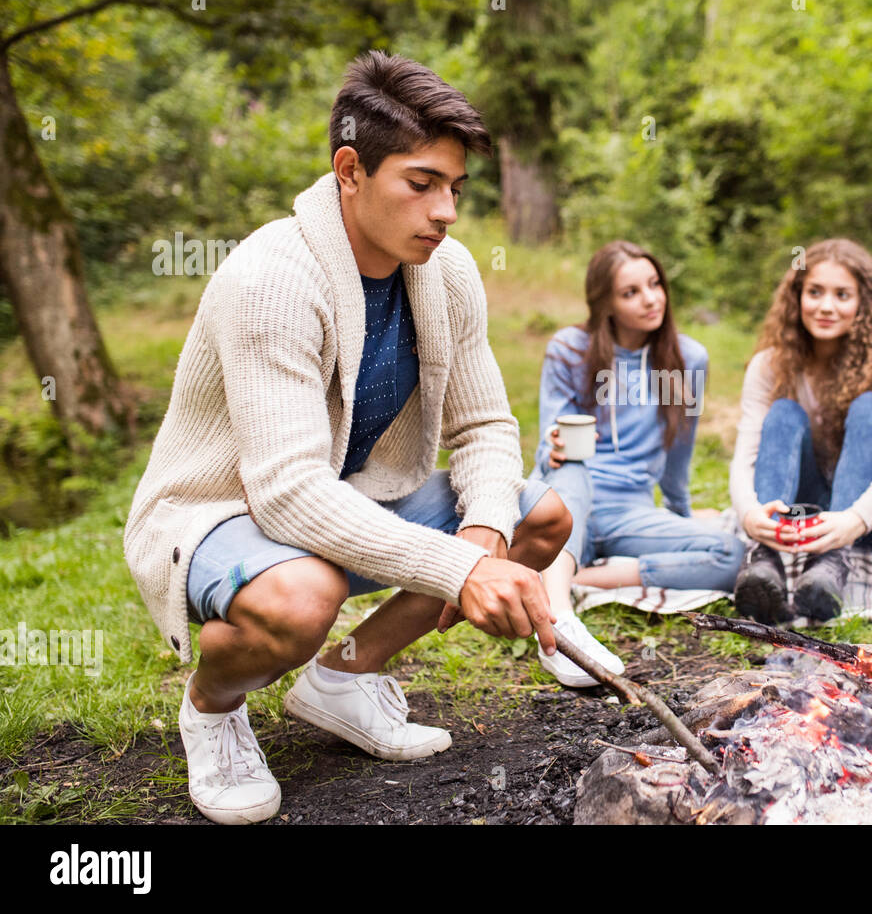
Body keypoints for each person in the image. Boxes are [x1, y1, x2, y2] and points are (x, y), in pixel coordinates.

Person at [122, 51, 571, 825]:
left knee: (536, 518)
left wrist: (484, 531)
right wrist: (461, 568)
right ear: (350, 170)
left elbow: (486, 425)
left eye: (455, 189)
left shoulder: (449, 272)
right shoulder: (271, 281)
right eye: (422, 183)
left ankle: (341, 679)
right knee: (302, 599)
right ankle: (212, 710)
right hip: (218, 513)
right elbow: (288, 491)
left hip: (345, 496)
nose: (446, 212)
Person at [531, 240, 745, 686]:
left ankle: (581, 577)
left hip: (630, 510)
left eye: (654, 284)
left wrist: (680, 515)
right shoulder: (571, 348)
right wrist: (553, 446)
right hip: (567, 501)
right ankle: (559, 618)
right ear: (605, 302)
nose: (651, 299)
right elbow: (548, 443)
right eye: (631, 292)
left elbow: (679, 451)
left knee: (731, 552)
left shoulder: (687, 360)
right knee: (571, 467)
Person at [730, 238, 872, 624]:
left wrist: (854, 520)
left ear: (864, 304)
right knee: (784, 411)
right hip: (808, 508)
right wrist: (749, 513)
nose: (826, 306)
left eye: (842, 295)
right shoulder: (769, 366)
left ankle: (832, 563)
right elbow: (746, 452)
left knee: (871, 405)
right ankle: (764, 560)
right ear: (797, 297)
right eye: (815, 292)